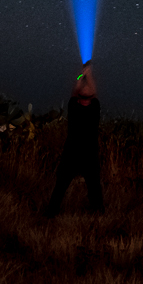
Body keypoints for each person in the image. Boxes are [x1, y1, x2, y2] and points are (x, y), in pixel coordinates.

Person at [43, 61, 103, 216]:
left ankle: (51, 212)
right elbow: (94, 93)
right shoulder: (94, 108)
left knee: (61, 185)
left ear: (79, 97)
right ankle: (98, 213)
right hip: (89, 154)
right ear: (90, 98)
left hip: (72, 153)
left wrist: (81, 75)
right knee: (94, 185)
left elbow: (74, 92)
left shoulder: (73, 106)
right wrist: (89, 74)